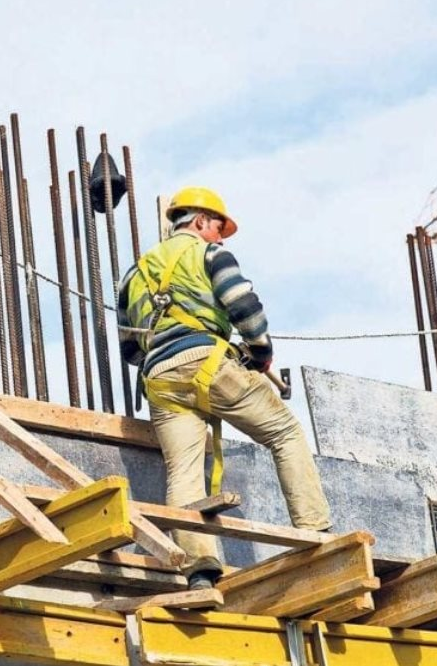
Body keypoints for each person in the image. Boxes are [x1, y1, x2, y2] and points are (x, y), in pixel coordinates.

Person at [117, 186, 331, 589]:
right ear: (199, 222)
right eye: (218, 227)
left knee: (183, 472)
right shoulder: (209, 254)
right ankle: (316, 531)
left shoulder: (133, 274)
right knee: (285, 433)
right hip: (209, 365)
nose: (220, 236)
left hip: (160, 380)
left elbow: (130, 347)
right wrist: (260, 352)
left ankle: (199, 570)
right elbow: (244, 306)